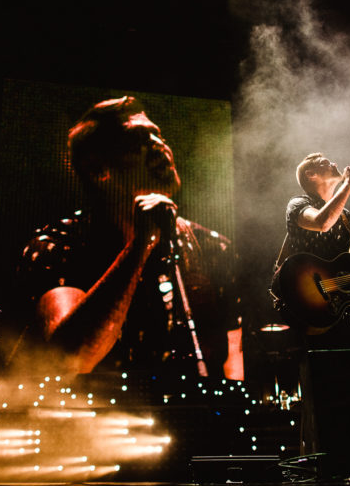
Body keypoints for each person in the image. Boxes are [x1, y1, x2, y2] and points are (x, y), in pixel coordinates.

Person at [15, 96, 244, 381]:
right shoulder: (58, 245)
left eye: (158, 135)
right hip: (89, 410)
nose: (158, 144)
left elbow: (233, 358)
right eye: (137, 139)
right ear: (99, 170)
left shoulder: (212, 248)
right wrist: (141, 244)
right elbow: (70, 359)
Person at [271, 153, 350, 332]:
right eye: (325, 163)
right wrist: (348, 183)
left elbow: (349, 265)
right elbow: (323, 223)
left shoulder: (345, 215)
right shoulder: (298, 203)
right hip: (302, 304)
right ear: (311, 174)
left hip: (335, 311)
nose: (334, 163)